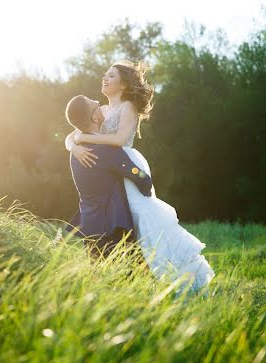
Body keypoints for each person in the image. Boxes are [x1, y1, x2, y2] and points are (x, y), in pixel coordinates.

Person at [65, 60, 215, 292]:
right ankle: (143, 278)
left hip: (125, 162)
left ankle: (172, 273)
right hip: (111, 168)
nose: (104, 79)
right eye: (105, 75)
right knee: (128, 221)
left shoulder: (127, 107)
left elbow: (115, 141)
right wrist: (73, 146)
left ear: (123, 83)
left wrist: (85, 140)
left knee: (144, 218)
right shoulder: (100, 112)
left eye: (111, 76)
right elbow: (76, 130)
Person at [64, 94, 153, 260]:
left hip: (89, 226)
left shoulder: (76, 151)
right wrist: (146, 181)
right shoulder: (107, 150)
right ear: (95, 117)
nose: (101, 104)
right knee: (128, 278)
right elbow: (138, 176)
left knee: (99, 278)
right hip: (113, 228)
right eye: (96, 104)